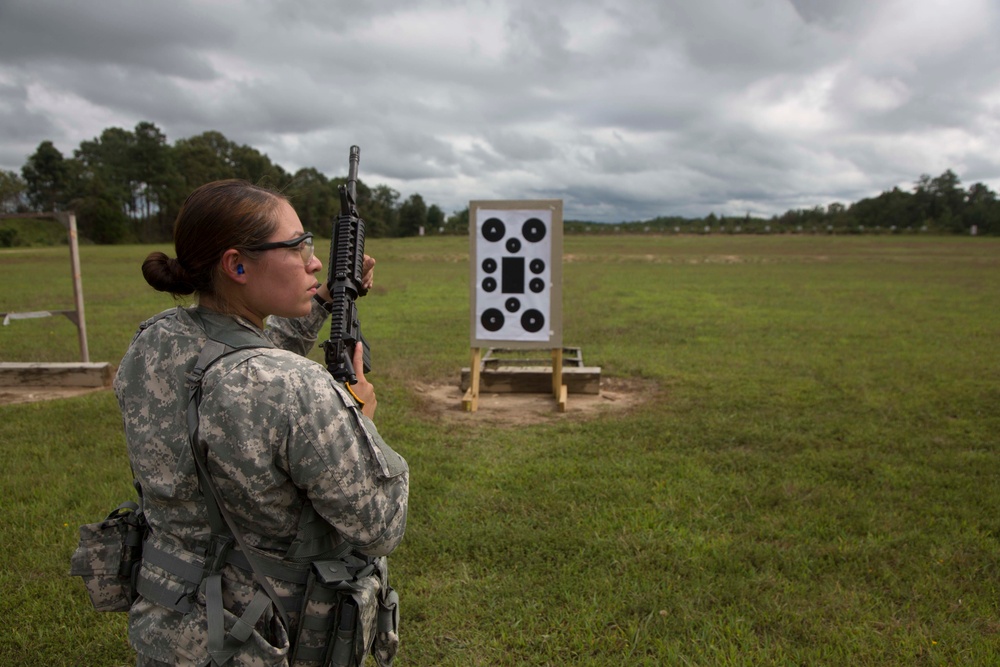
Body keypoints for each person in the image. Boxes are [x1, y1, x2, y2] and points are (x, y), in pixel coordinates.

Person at [113, 179, 408, 666]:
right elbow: (381, 524)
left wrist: (329, 300)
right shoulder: (298, 388)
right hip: (265, 638)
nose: (314, 262)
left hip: (171, 627)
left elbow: (247, 356)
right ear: (236, 264)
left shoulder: (154, 343)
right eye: (297, 247)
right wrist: (361, 420)